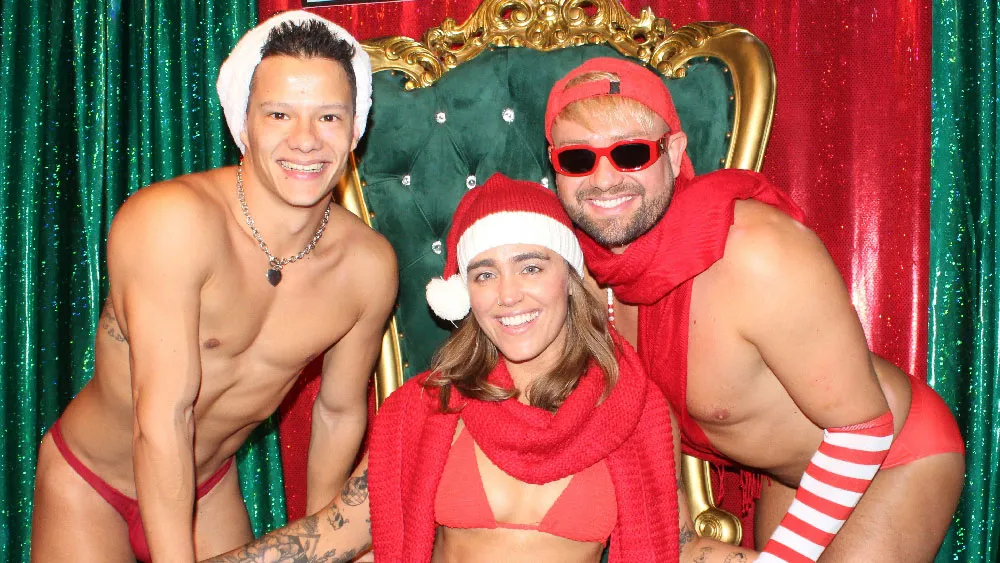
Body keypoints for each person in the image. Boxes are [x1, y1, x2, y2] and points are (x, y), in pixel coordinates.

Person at [205, 173, 760, 563]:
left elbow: (677, 544)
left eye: (531, 267)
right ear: (465, 292)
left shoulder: (631, 409)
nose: (508, 295)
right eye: (485, 274)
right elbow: (339, 529)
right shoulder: (428, 407)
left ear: (569, 279)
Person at [545, 56, 966, 562]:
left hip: (888, 455)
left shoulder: (756, 251)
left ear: (673, 154)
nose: (604, 179)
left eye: (630, 153)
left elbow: (861, 430)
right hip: (793, 474)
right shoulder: (583, 275)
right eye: (578, 159)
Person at [30, 11, 396, 563]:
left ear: (355, 129)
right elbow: (163, 417)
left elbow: (338, 413)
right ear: (242, 124)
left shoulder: (367, 267)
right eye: (279, 114)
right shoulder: (172, 223)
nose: (305, 141)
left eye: (328, 117)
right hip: (92, 484)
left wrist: (324, 545)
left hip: (205, 491)